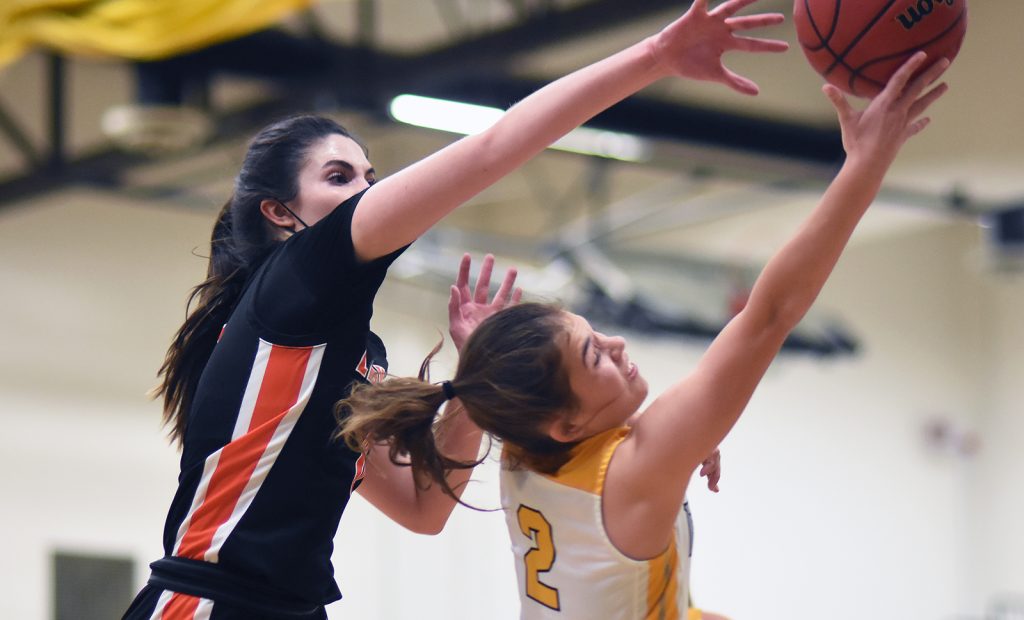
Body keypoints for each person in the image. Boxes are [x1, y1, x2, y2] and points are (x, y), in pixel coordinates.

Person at [123, 0, 790, 617]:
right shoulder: (296, 280)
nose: (365, 192)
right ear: (279, 213)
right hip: (211, 604)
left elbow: (423, 508)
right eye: (338, 177)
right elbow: (495, 148)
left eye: (369, 177)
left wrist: (472, 380)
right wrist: (656, 55)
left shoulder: (344, 349)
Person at [338, 51, 951, 619]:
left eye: (594, 335)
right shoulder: (630, 466)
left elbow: (515, 399)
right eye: (594, 357)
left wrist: (487, 363)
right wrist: (864, 165)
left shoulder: (529, 441)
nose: (618, 346)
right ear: (566, 423)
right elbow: (769, 315)